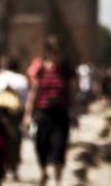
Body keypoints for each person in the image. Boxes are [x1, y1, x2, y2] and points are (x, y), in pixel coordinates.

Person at [24, 36, 77, 186]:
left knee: (59, 147)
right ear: (48, 51)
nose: (55, 53)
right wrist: (28, 115)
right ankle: (44, 173)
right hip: (43, 113)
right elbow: (33, 92)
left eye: (58, 50)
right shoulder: (40, 68)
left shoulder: (66, 69)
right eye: (52, 50)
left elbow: (72, 92)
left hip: (60, 113)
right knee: (41, 145)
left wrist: (74, 112)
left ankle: (58, 181)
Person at [0, 55, 28, 181]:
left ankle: (4, 168)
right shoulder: (22, 79)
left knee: (3, 140)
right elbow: (25, 100)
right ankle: (14, 170)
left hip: (2, 115)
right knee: (16, 142)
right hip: (16, 115)